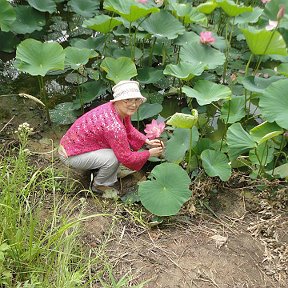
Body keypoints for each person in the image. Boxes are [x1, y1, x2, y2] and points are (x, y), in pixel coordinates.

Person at [58, 80, 164, 194]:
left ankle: (100, 169)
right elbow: (126, 158)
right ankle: (99, 185)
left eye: (136, 100)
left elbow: (129, 129)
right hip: (70, 155)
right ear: (118, 100)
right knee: (114, 157)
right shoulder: (114, 126)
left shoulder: (114, 108)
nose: (133, 104)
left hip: (72, 146)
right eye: (127, 100)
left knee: (116, 151)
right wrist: (149, 153)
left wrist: (147, 141)